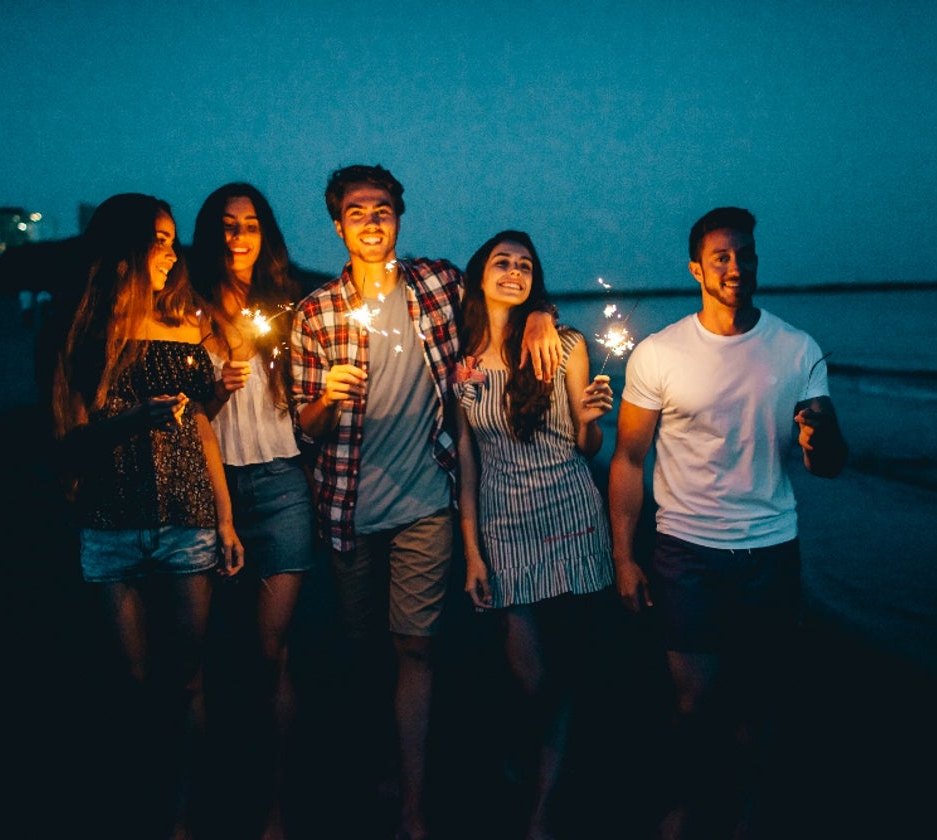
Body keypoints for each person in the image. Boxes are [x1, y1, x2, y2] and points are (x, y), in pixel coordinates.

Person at [289, 165, 562, 840]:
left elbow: (506, 292)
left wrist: (540, 320)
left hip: (427, 503)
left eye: (383, 209)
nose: (372, 221)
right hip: (348, 504)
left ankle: (413, 805)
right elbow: (304, 425)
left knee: (417, 651)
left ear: (399, 217)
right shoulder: (316, 312)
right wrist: (330, 396)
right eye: (357, 212)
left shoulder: (438, 282)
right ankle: (381, 758)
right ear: (338, 225)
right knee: (364, 652)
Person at [607, 207, 848, 839]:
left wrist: (818, 438)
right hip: (687, 551)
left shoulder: (797, 350)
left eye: (745, 254)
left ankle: (738, 821)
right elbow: (630, 458)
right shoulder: (660, 354)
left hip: (771, 550)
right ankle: (687, 810)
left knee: (756, 708)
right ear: (696, 269)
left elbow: (828, 461)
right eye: (721, 256)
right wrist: (624, 557)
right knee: (693, 705)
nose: (736, 266)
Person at [50, 193, 245, 840]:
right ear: (125, 247)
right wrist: (133, 419)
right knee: (132, 684)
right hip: (110, 523)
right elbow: (69, 438)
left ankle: (182, 820)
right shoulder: (79, 330)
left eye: (170, 239)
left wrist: (226, 520)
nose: (170, 251)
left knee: (188, 681)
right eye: (157, 240)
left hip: (189, 518)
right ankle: (135, 807)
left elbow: (205, 432)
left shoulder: (187, 329)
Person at [454, 231, 615, 840]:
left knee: (567, 672)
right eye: (503, 263)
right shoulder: (463, 363)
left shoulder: (566, 345)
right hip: (502, 529)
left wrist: (593, 419)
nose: (515, 272)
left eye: (525, 266)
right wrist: (471, 550)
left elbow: (587, 445)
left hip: (572, 519)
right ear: (481, 276)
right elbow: (467, 459)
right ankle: (525, 753)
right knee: (532, 678)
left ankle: (542, 813)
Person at [189, 182, 315, 840]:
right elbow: (190, 415)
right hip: (212, 486)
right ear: (211, 234)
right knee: (208, 653)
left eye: (251, 224)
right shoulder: (189, 306)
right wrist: (213, 389)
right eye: (227, 225)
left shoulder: (287, 306)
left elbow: (307, 401)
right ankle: (209, 792)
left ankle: (274, 806)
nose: (239, 236)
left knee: (272, 652)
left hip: (282, 483)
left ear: (266, 233)